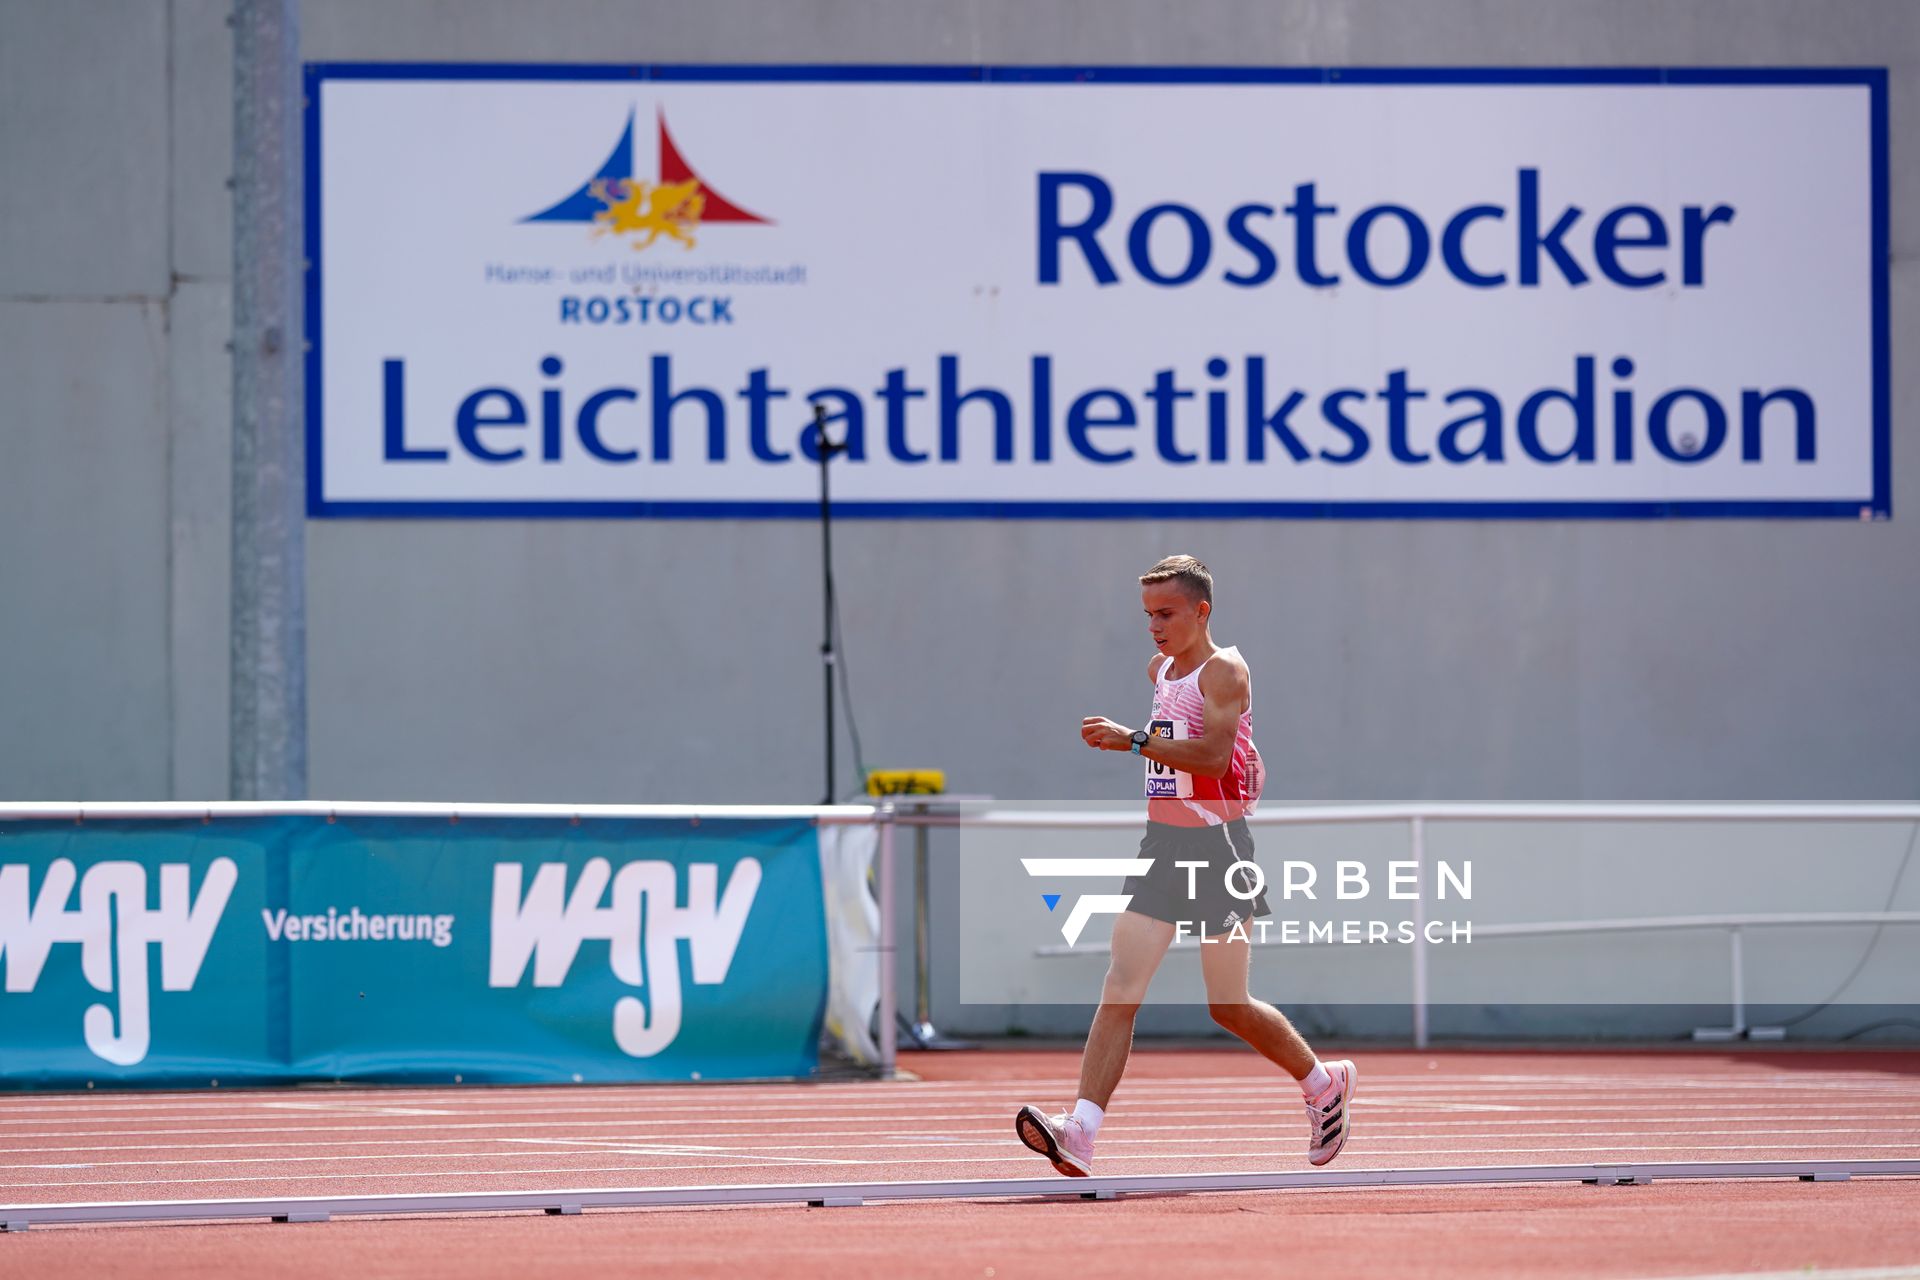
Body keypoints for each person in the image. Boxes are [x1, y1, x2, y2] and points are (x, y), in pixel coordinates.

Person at [1014, 554, 1356, 1176]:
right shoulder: (1162, 667)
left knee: (1227, 1005)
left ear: (1202, 611)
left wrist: (1135, 739)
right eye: (1148, 614)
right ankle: (1080, 1132)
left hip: (1218, 849)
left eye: (1166, 613)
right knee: (1120, 988)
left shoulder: (1225, 670)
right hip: (1161, 847)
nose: (1154, 626)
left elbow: (1217, 760)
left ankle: (1322, 1084)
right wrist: (1142, 742)